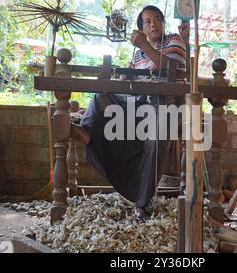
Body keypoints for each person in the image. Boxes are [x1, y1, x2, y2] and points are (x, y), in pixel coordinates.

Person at [71, 5, 189, 221]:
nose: (153, 24)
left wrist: (144, 45)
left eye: (157, 20)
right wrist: (119, 79)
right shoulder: (138, 54)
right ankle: (86, 131)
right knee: (101, 96)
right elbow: (128, 80)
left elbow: (168, 67)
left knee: (155, 141)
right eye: (147, 21)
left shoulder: (174, 40)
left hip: (165, 106)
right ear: (141, 28)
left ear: (163, 23)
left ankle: (141, 203)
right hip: (139, 106)